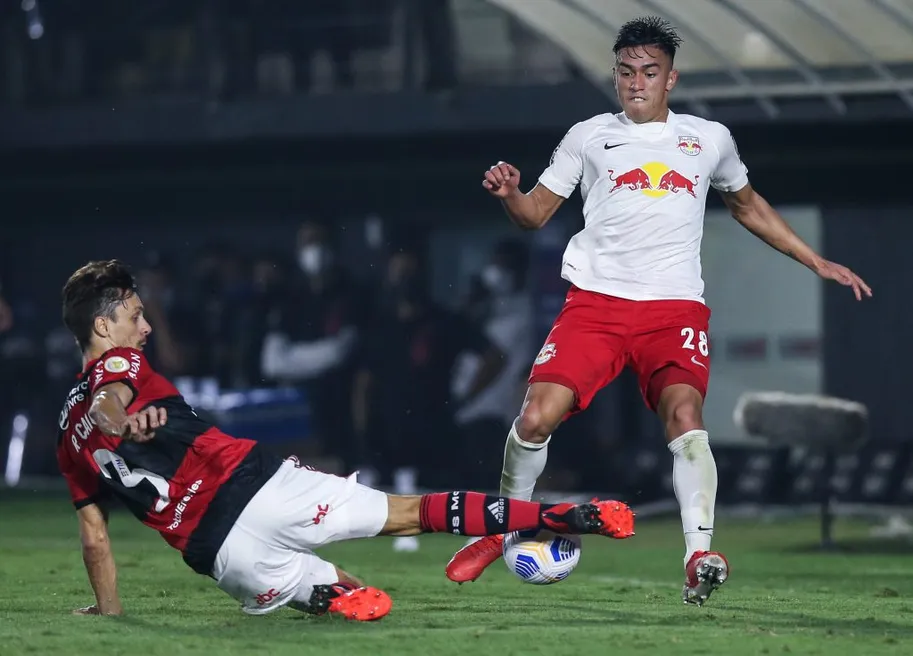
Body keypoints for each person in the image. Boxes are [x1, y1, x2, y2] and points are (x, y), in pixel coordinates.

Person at [445, 16, 872, 606]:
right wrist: (512, 195)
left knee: (684, 417)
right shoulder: (589, 135)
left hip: (673, 310)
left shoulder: (708, 138)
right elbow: (536, 214)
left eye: (648, 73)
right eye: (625, 73)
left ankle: (699, 556)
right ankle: (502, 526)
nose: (635, 84)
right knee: (537, 417)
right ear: (616, 77)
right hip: (596, 304)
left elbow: (747, 205)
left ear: (670, 78)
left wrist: (814, 260)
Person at [56, 260, 635, 620]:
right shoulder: (123, 366)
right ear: (103, 327)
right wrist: (120, 419)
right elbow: (111, 400)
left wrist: (108, 613)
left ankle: (328, 596)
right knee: (410, 515)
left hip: (223, 556)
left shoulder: (64, 433)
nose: (146, 327)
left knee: (343, 591)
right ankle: (561, 515)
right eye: (135, 315)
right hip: (259, 487)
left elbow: (94, 537)